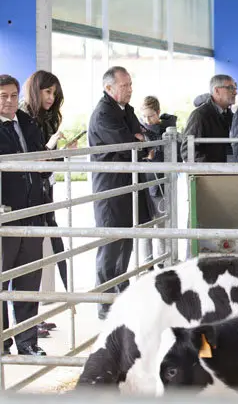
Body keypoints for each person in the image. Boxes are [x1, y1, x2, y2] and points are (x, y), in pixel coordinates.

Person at [88, 66, 151, 320]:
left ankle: (120, 293)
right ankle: (105, 302)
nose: (129, 89)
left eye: (130, 84)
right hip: (111, 187)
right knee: (111, 243)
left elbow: (140, 138)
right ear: (109, 88)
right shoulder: (104, 113)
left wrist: (138, 141)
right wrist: (137, 142)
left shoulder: (126, 110)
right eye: (124, 85)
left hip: (128, 184)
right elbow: (128, 145)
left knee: (126, 241)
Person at [20, 70, 75, 336]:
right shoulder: (22, 118)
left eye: (54, 93)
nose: (51, 98)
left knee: (40, 256)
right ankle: (25, 325)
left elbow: (47, 163)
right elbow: (35, 160)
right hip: (27, 197)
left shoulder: (47, 119)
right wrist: (52, 151)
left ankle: (31, 321)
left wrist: (60, 153)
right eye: (47, 92)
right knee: (24, 262)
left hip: (45, 192)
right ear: (35, 91)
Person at [1, 74, 50, 356]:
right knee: (2, 278)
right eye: (3, 96)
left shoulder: (28, 122)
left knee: (29, 280)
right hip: (5, 214)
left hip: (33, 210)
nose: (9, 101)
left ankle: (28, 342)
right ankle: (3, 340)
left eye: (13, 95)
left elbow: (40, 159)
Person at [139, 95, 178, 261]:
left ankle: (163, 261)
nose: (147, 120)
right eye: (144, 116)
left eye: (151, 116)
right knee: (145, 226)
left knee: (162, 225)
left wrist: (154, 156)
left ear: (158, 112)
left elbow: (177, 158)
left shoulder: (168, 132)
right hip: (144, 184)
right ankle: (147, 264)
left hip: (163, 184)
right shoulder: (139, 131)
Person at [181, 75, 236, 162]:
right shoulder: (200, 115)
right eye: (230, 88)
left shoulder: (230, 115)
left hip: (227, 170)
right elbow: (188, 151)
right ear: (216, 90)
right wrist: (209, 168)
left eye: (235, 88)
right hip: (210, 173)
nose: (235, 92)